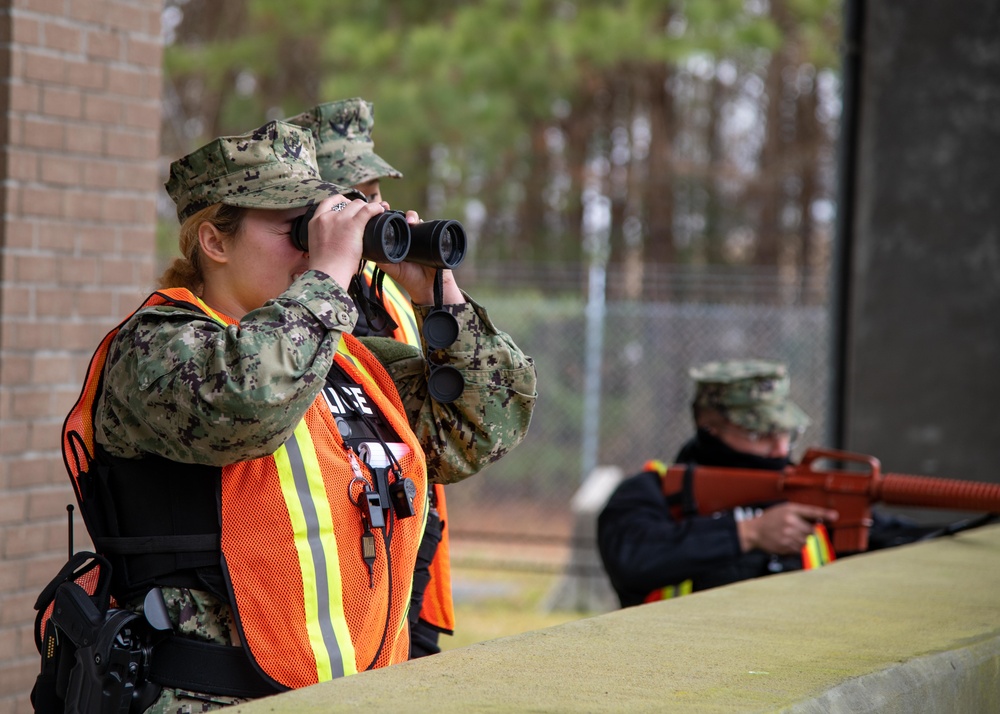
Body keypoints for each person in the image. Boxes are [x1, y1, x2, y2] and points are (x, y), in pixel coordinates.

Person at [57, 119, 537, 711]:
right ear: (215, 242)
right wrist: (329, 274)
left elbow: (481, 425)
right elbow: (248, 401)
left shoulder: (343, 361)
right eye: (296, 229)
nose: (318, 245)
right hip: (209, 696)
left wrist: (439, 294)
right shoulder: (158, 349)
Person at [287, 97, 455, 658]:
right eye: (353, 195)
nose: (374, 209)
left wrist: (436, 291)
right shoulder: (294, 304)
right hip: (344, 557)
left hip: (412, 539)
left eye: (377, 192)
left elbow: (469, 421)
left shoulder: (388, 292)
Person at [597, 359, 935, 608]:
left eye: (787, 433)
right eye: (759, 433)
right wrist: (748, 533)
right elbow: (632, 560)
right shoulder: (651, 492)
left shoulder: (805, 490)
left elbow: (896, 537)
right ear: (709, 427)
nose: (780, 449)